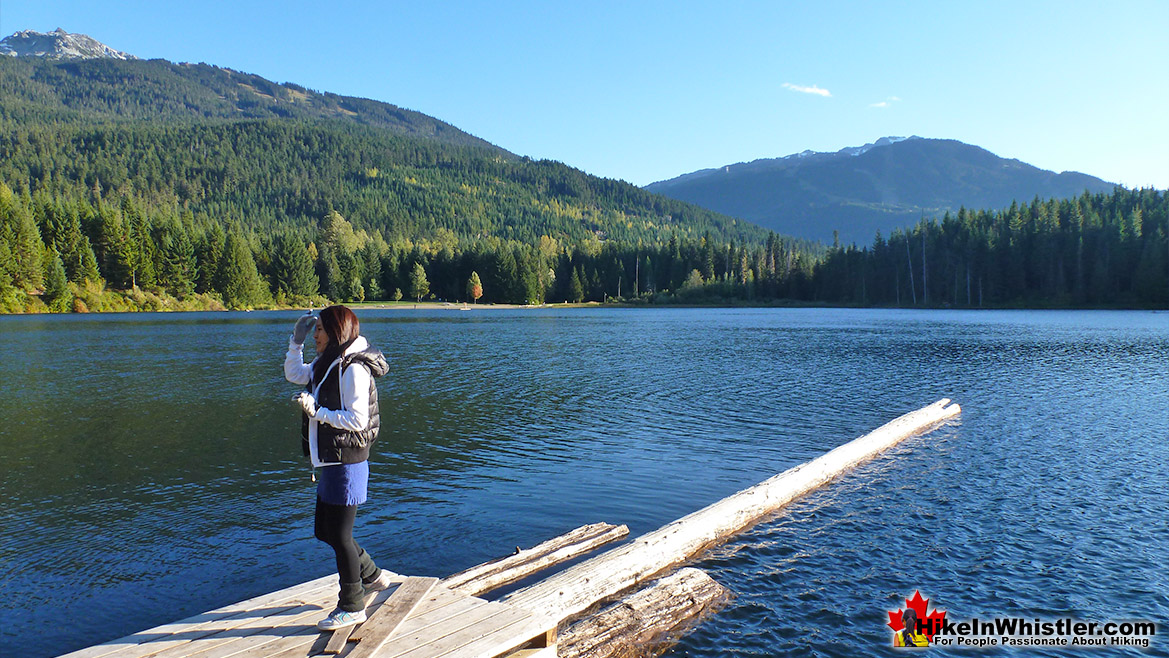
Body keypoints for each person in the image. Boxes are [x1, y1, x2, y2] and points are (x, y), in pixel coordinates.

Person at [284, 305, 391, 631]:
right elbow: (294, 374)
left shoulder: (353, 368)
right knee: (324, 531)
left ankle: (352, 605)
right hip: (331, 459)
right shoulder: (327, 361)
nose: (315, 335)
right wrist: (295, 342)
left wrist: (317, 412)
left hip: (347, 462)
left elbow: (358, 421)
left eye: (318, 331)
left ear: (335, 332)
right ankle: (371, 575)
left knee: (341, 535)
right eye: (313, 331)